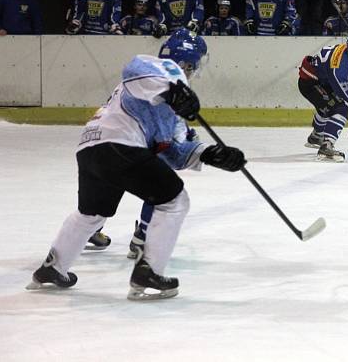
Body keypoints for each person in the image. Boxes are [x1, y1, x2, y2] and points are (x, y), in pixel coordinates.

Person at [26, 29, 246, 300]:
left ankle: (52, 268)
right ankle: (148, 270)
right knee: (175, 200)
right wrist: (172, 92)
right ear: (189, 62)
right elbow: (133, 69)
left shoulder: (172, 111)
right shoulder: (164, 69)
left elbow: (171, 152)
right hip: (119, 144)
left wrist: (210, 154)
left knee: (91, 214)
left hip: (91, 148)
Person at [297, 34, 348, 162]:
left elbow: (347, 79)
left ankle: (316, 136)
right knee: (340, 110)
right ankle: (326, 146)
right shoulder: (340, 66)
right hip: (311, 84)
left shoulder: (346, 53)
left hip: (319, 80)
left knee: (328, 106)